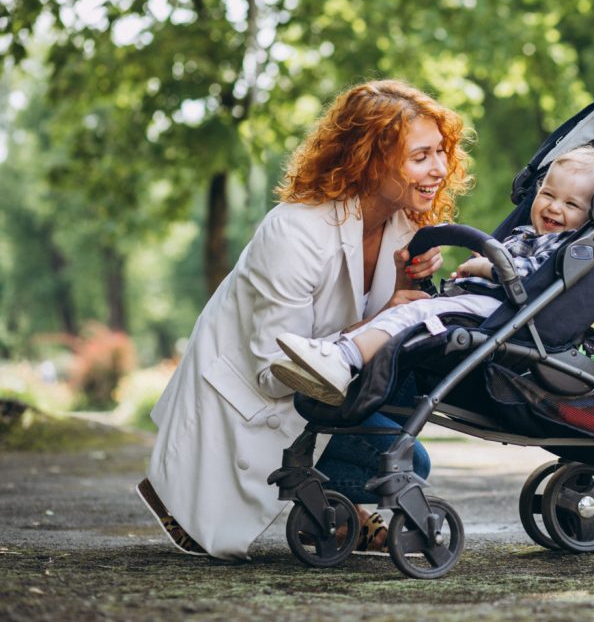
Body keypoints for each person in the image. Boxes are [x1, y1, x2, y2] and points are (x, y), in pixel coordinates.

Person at [136, 80, 471, 560]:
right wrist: (391, 315)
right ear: (369, 160)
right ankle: (192, 493)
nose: (439, 168)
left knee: (408, 433)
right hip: (253, 404)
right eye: (421, 157)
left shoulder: (405, 224)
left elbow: (371, 328)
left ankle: (335, 512)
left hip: (321, 392)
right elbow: (276, 372)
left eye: (441, 152)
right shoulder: (294, 232)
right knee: (405, 460)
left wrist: (399, 287)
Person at [271, 145, 594, 406]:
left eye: (571, 205)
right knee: (410, 311)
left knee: (414, 313)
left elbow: (525, 275)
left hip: (504, 314)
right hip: (481, 304)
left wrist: (484, 266)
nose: (554, 207)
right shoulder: (527, 233)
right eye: (548, 195)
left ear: (589, 217)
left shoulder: (566, 245)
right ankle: (333, 356)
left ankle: (343, 359)